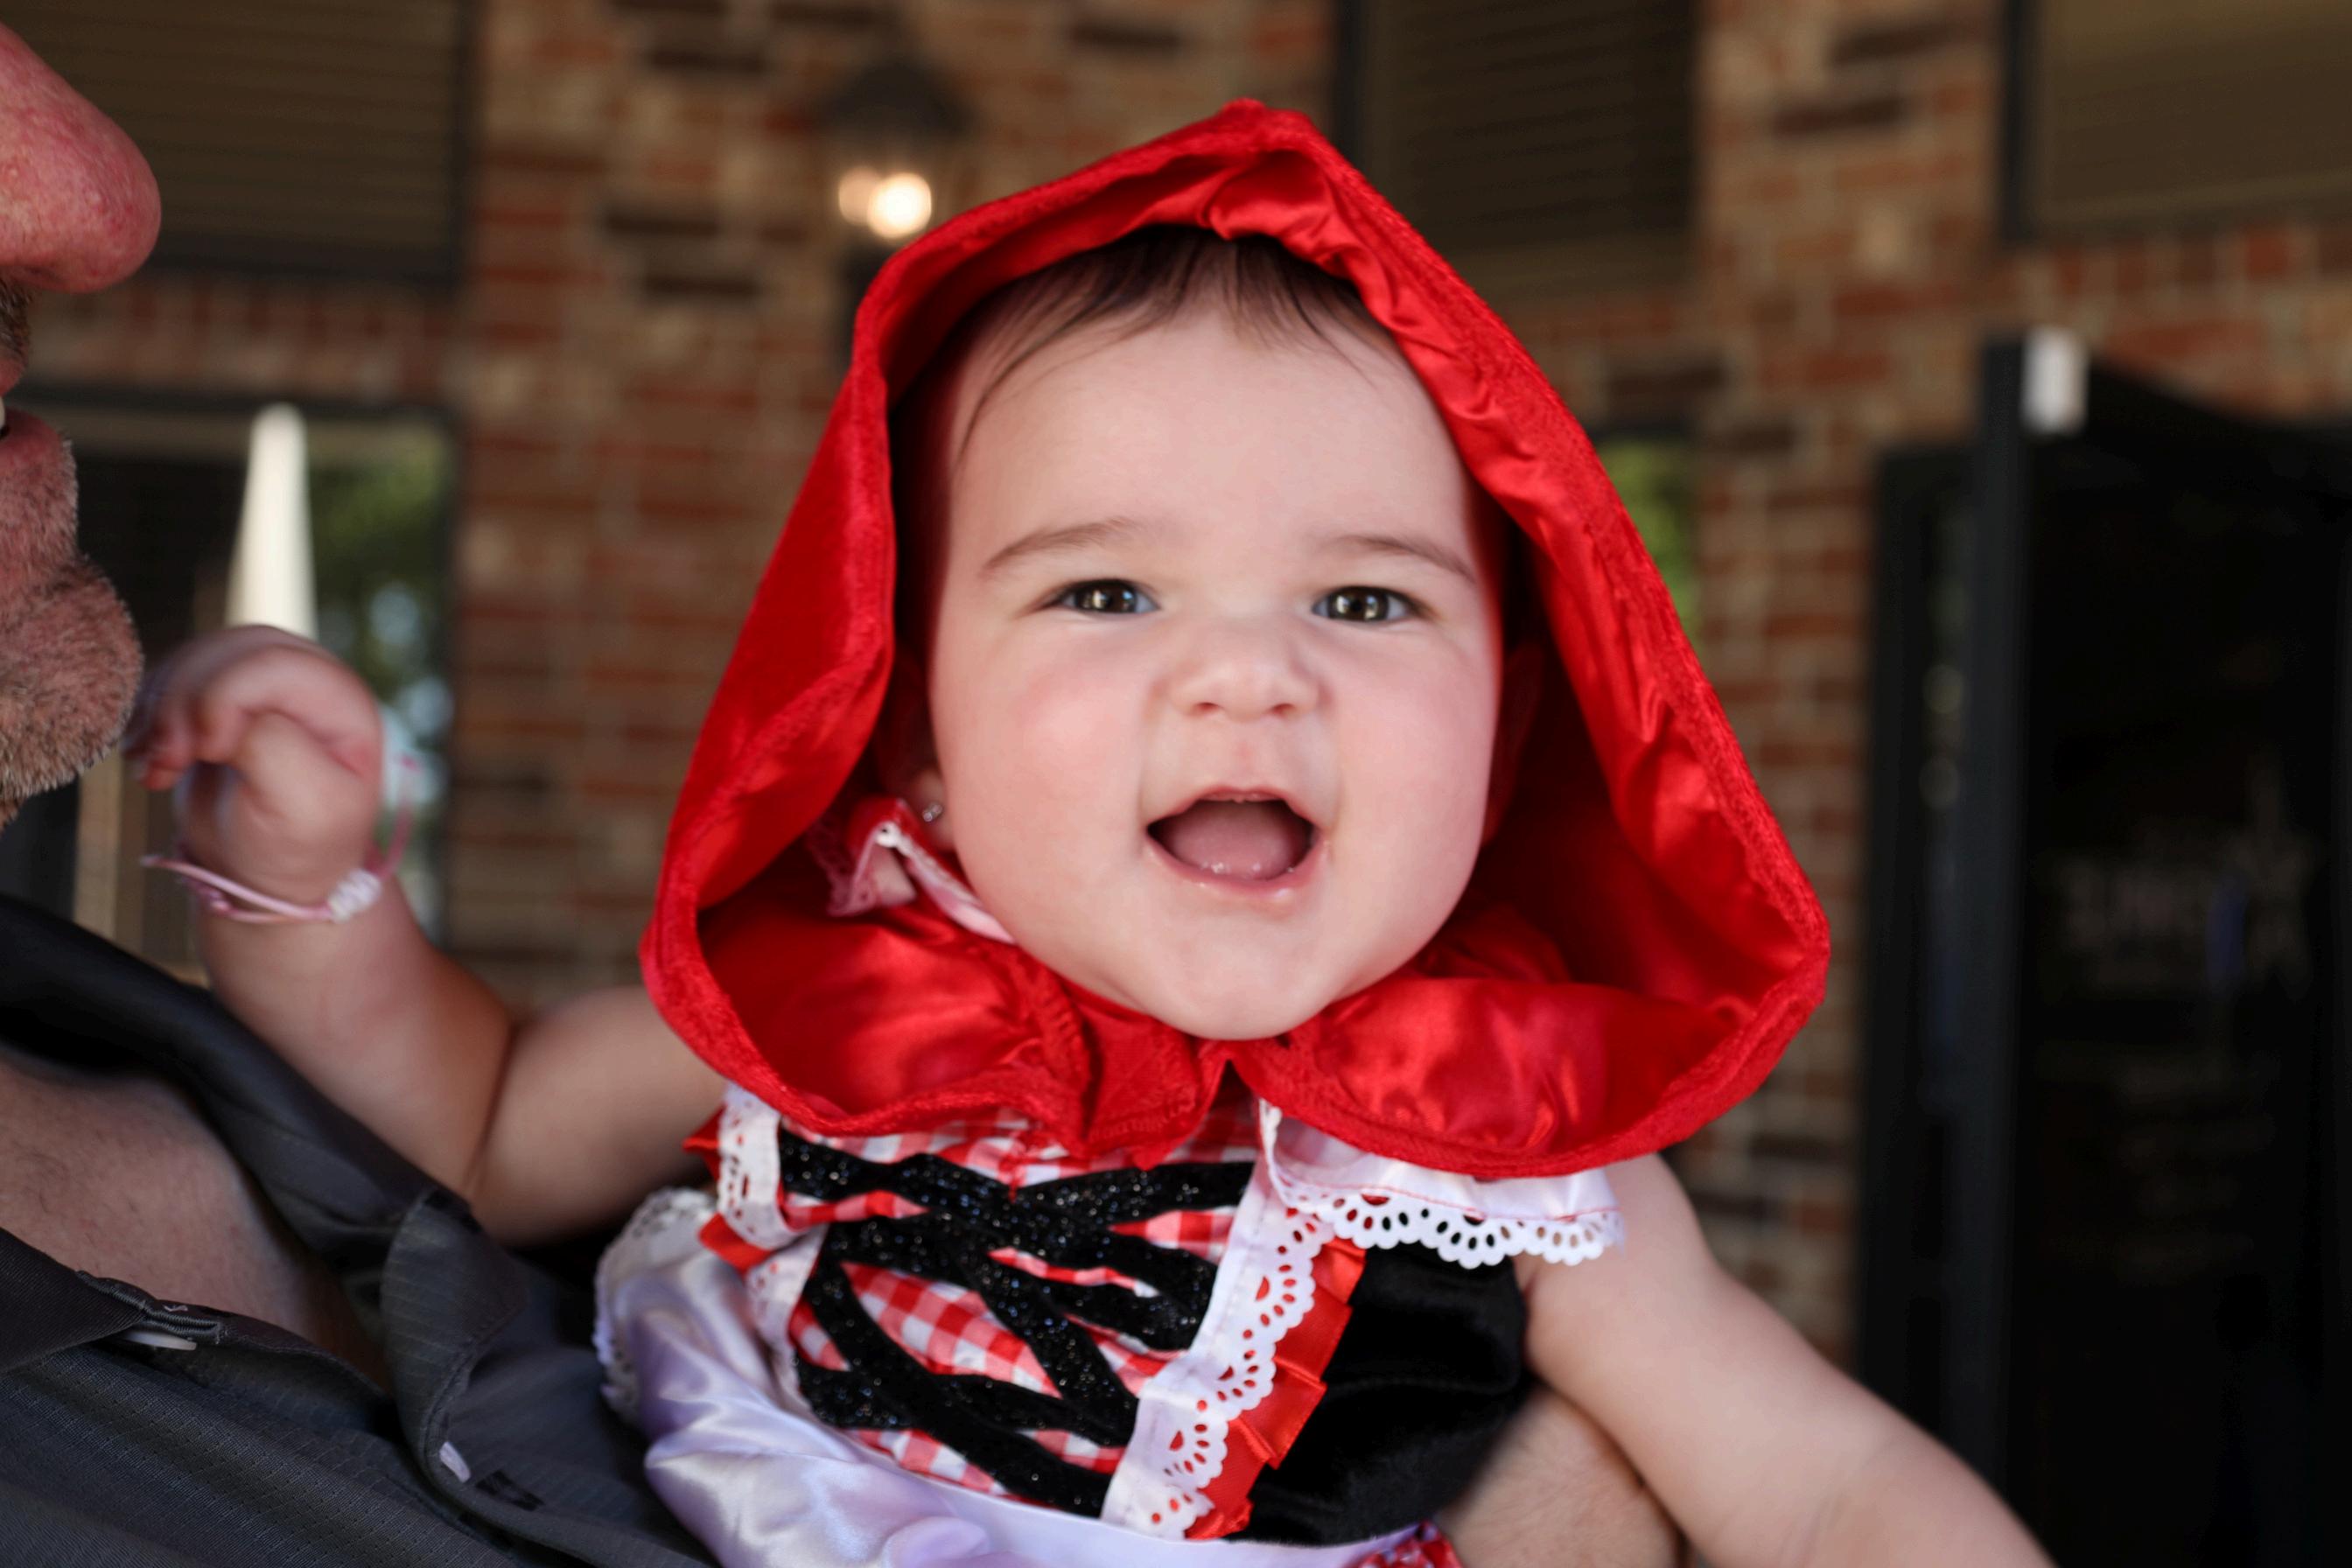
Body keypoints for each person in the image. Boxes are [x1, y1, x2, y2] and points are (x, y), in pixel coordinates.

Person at [130, 105, 2041, 1567]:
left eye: (1364, 601)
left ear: (1511, 724)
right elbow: (471, 1120)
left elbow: (1822, 1485)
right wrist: (302, 880)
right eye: (1107, 592)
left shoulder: (1503, 1148)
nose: (1249, 676)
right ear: (912, 727)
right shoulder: (838, 1009)